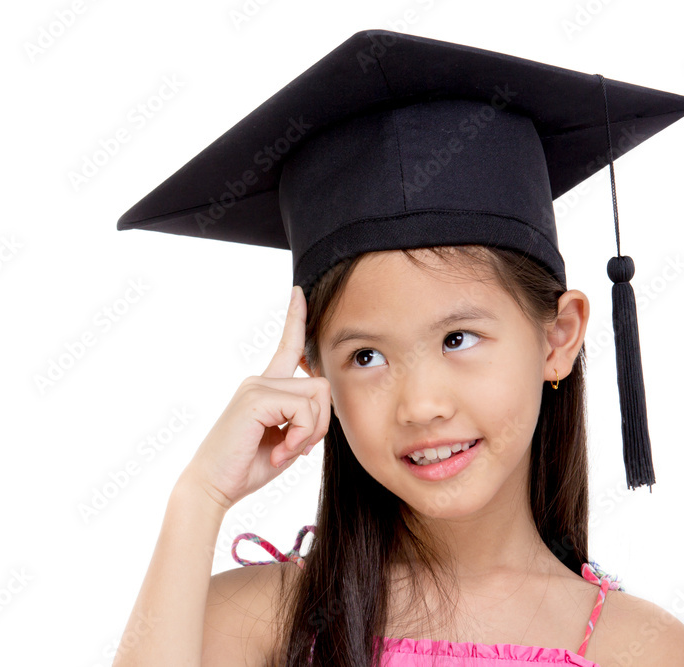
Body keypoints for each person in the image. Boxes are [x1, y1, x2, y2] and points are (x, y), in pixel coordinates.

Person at [111, 29, 684, 666]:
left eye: (458, 339)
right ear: (314, 373)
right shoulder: (255, 620)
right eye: (366, 357)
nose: (421, 405)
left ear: (558, 337)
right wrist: (199, 499)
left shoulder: (642, 648)